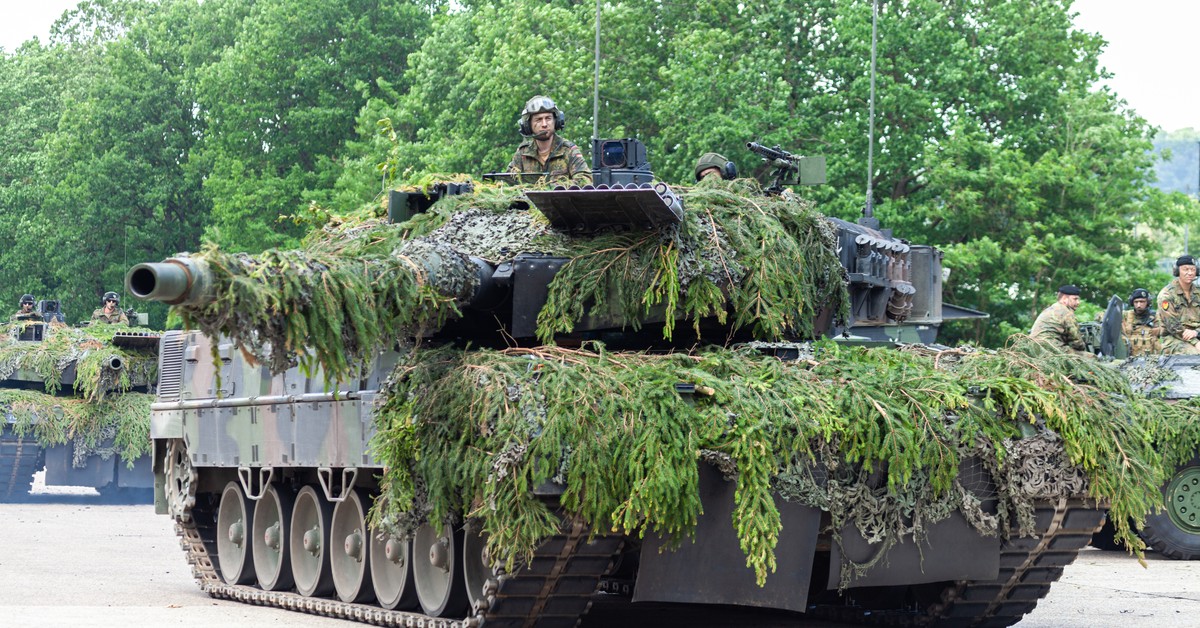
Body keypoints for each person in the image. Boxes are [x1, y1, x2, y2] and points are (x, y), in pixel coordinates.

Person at [506, 95, 591, 185]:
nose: (544, 124)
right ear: (527, 125)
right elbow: (507, 183)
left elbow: (585, 181)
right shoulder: (523, 153)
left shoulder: (568, 150)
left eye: (548, 118)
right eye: (538, 120)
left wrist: (556, 189)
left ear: (556, 121)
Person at [1157, 255, 1200, 355]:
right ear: (1177, 271)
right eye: (1185, 269)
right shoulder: (1166, 295)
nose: (1189, 273)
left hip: (1197, 335)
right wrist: (1196, 342)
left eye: (1192, 269)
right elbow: (1173, 326)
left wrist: (1197, 332)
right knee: (1195, 355)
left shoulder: (1198, 292)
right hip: (1175, 339)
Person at [1030, 284, 1090, 354]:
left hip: (1035, 348)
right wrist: (1084, 346)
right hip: (1051, 349)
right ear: (1064, 298)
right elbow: (1076, 342)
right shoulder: (1066, 313)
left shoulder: (1051, 309)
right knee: (1092, 357)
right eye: (1075, 299)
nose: (1078, 302)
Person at [1122, 288, 1162, 356]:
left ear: (1148, 302)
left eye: (1142, 302)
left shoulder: (1156, 317)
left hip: (1151, 357)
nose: (1139, 305)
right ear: (1132, 302)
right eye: (1136, 302)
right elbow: (1107, 315)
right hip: (1129, 357)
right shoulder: (1125, 315)